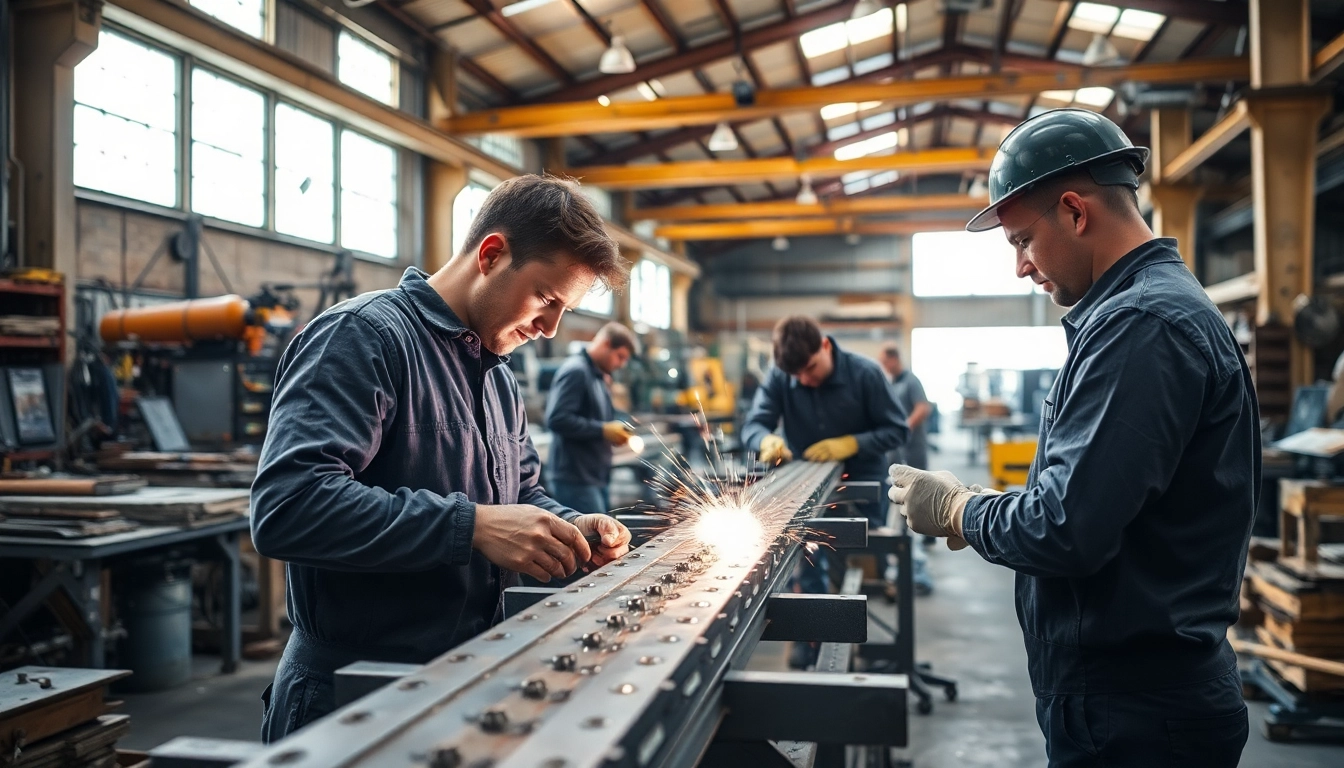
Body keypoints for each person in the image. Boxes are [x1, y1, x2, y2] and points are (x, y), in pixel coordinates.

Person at [888, 109, 1257, 767]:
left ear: (1075, 211)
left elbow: (1066, 527)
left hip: (1139, 715)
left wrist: (961, 510)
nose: (1021, 268)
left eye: (1022, 241)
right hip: (1130, 702)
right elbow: (1092, 498)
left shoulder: (1143, 326)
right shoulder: (1138, 315)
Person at [250, 175, 634, 742]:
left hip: (464, 680)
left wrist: (570, 525)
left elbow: (521, 493)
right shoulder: (363, 338)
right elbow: (289, 507)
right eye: (548, 300)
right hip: (352, 695)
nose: (551, 329)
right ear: (491, 254)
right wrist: (470, 526)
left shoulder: (498, 377)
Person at [742, 316, 908, 668]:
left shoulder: (866, 374)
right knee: (808, 559)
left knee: (846, 564)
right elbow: (755, 424)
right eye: (796, 375)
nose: (805, 379)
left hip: (860, 483)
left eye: (811, 368)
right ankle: (814, 638)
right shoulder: (781, 376)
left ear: (826, 346)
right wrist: (765, 439)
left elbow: (897, 430)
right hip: (807, 485)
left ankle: (844, 635)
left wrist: (852, 443)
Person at [544, 322, 639, 514]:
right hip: (575, 479)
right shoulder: (576, 371)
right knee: (593, 541)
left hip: (594, 476)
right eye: (620, 356)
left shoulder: (597, 375)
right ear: (605, 344)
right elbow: (557, 418)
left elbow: (597, 414)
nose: (621, 364)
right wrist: (603, 430)